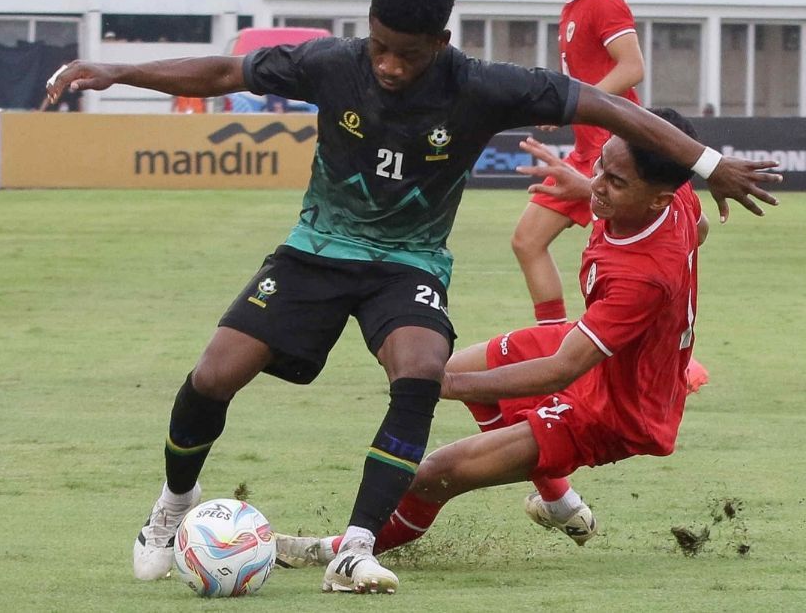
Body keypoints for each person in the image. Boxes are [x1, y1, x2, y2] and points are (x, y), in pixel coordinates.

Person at [44, 0, 780, 596]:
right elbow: (225, 70)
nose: (390, 66)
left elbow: (610, 102)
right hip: (318, 249)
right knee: (213, 375)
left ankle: (356, 546)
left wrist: (710, 164)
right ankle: (175, 501)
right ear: (368, 28)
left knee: (425, 376)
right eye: (382, 48)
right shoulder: (333, 63)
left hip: (416, 267)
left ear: (443, 45)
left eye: (409, 55)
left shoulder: (483, 87)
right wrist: (116, 71)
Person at [273, 108, 720, 566]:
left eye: (616, 182)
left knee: (434, 473)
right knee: (457, 367)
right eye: (601, 165)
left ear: (660, 200)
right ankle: (560, 502)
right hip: (600, 350)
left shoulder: (642, 278)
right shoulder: (675, 198)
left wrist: (442, 389)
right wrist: (592, 188)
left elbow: (561, 370)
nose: (599, 182)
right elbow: (698, 229)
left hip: (616, 407)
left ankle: (332, 550)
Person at [512, 0, 644, 329]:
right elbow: (588, 81)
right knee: (527, 241)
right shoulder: (574, 5)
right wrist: (567, 110)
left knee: (614, 269)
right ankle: (553, 342)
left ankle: (659, 360)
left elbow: (632, 68)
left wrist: (575, 104)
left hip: (617, 155)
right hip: (586, 153)